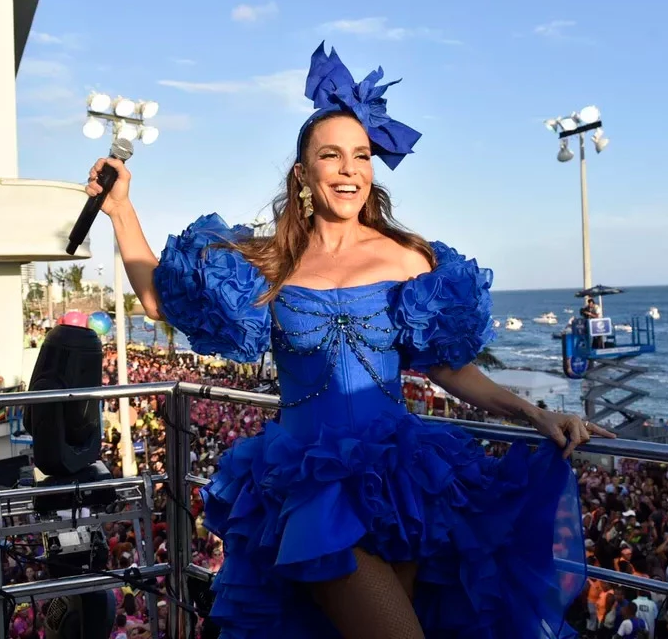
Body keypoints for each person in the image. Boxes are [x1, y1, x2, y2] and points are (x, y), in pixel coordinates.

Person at [87, 42, 614, 638]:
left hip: (403, 480)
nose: (349, 169)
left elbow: (448, 369)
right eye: (332, 155)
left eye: (361, 155)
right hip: (311, 482)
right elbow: (158, 300)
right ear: (303, 173)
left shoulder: (411, 259)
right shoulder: (268, 262)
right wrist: (122, 211)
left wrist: (536, 415)